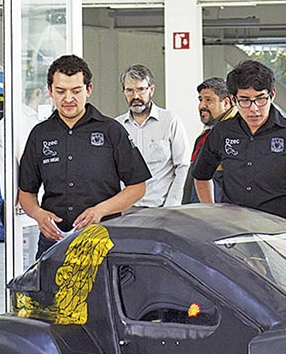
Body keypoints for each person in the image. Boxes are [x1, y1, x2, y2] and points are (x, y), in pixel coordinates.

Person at [18, 54, 150, 258]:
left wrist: (100, 211)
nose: (68, 98)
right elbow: (26, 193)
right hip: (53, 242)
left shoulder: (111, 131)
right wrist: (38, 214)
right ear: (50, 91)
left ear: (88, 90)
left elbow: (137, 187)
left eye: (76, 91)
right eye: (60, 91)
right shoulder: (40, 134)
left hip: (103, 240)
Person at [193, 60, 286, 227]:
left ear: (272, 95)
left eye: (260, 99)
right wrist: (213, 215)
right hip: (235, 230)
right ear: (233, 99)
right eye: (245, 100)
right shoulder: (222, 132)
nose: (254, 109)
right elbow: (201, 176)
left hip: (281, 231)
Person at [115, 64, 190, 208]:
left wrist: (171, 206)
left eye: (141, 89)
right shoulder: (116, 127)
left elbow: (182, 167)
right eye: (129, 90)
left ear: (152, 90)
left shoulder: (170, 121)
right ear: (123, 92)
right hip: (126, 211)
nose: (135, 96)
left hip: (161, 208)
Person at [182, 77, 236, 204]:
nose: (202, 106)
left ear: (226, 103)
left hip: (219, 212)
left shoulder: (234, 135)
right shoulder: (207, 134)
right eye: (200, 100)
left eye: (209, 100)